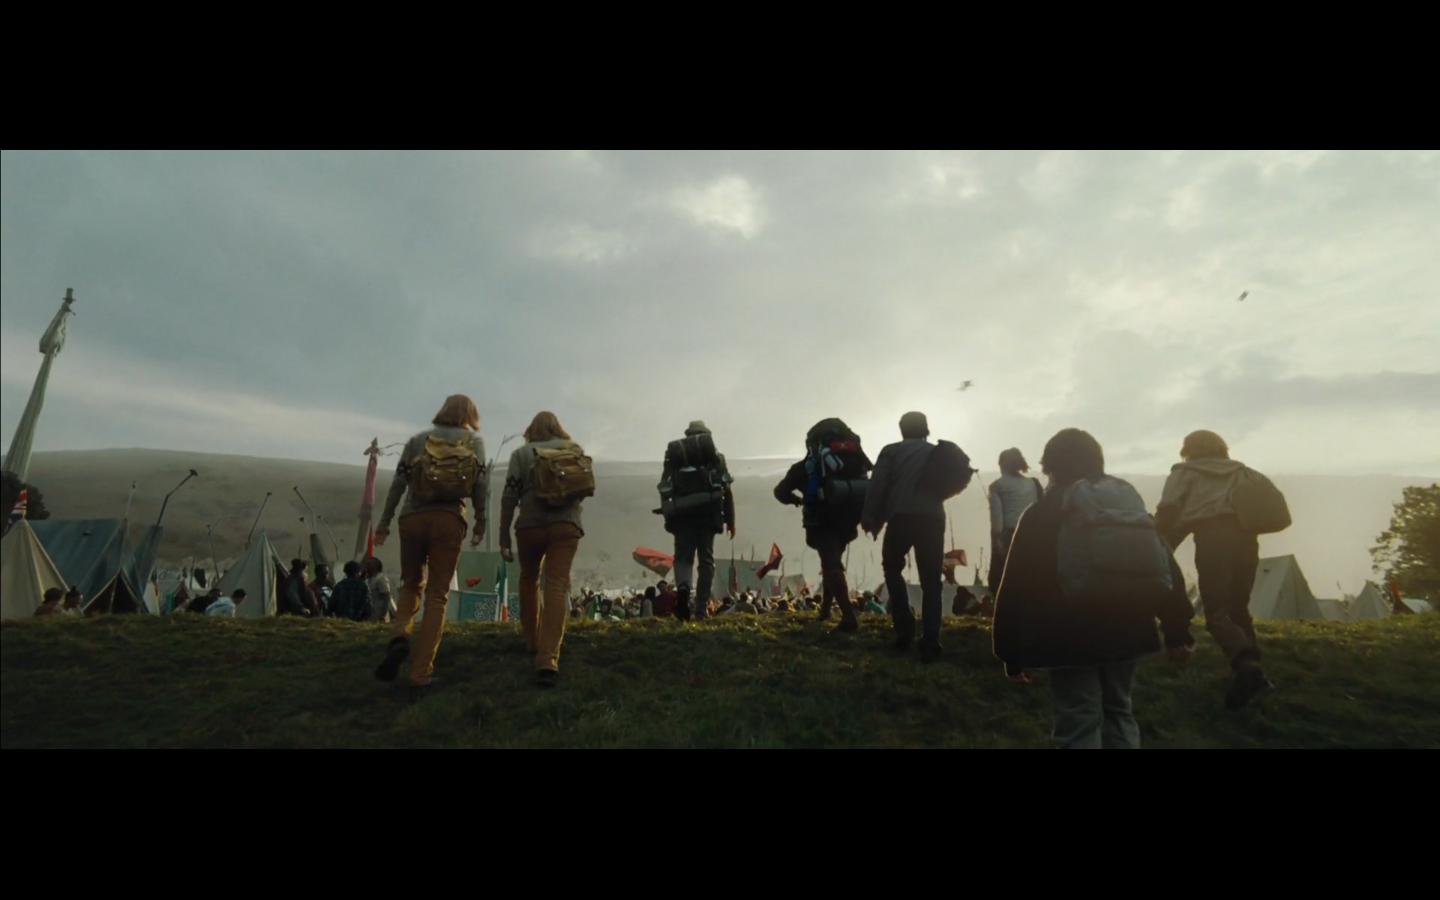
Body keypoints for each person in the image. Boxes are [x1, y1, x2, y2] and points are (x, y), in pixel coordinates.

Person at [993, 429, 1196, 750]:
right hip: (1129, 630)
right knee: (1119, 710)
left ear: (1050, 467)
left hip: (1069, 635)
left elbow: (1016, 584)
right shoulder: (1126, 506)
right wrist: (1177, 630)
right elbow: (1163, 567)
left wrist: (1011, 653)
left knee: (1078, 717)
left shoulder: (1042, 513)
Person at [373, 395, 488, 700]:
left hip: (412, 517)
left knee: (411, 583)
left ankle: (400, 636)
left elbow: (398, 483)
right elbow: (481, 484)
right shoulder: (473, 441)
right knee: (437, 594)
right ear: (471, 415)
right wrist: (481, 522)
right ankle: (420, 674)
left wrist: (383, 523)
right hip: (448, 519)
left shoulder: (418, 440)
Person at [1156, 430, 1272, 711]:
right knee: (1238, 607)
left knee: (1216, 613)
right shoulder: (1241, 471)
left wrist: (1158, 543)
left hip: (1213, 540)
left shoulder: (1185, 472)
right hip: (1247, 539)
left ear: (1187, 450)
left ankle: (1244, 664)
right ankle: (1257, 674)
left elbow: (1170, 510)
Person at [499, 411, 592, 690]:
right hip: (566, 525)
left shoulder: (521, 454)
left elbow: (509, 497)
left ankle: (532, 641)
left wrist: (503, 536)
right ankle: (548, 659)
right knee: (556, 585)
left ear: (532, 429)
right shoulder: (573, 449)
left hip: (529, 526)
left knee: (529, 579)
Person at [862, 412, 948, 662]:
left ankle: (904, 625)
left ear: (901, 429)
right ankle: (931, 641)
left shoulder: (891, 451)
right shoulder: (936, 453)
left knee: (892, 567)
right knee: (932, 582)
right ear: (926, 429)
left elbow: (877, 485)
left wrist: (871, 517)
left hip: (901, 517)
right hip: (933, 519)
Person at [774, 418, 873, 633]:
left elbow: (780, 492)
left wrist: (796, 500)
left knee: (831, 565)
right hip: (849, 520)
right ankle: (826, 610)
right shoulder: (854, 463)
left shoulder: (803, 469)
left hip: (821, 522)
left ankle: (848, 617)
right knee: (831, 562)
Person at [657, 422, 736, 623]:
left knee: (683, 558)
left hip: (682, 517)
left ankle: (684, 589)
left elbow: (665, 488)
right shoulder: (716, 457)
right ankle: (701, 609)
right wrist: (730, 520)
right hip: (708, 516)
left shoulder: (676, 457)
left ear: (687, 435)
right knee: (706, 561)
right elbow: (726, 490)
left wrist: (669, 516)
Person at [989, 449, 1044, 590]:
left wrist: (996, 542)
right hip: (1032, 536)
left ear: (1001, 465)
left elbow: (997, 520)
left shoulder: (996, 486)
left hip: (1008, 535)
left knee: (1004, 580)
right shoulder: (1033, 483)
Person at [365, 557, 395, 624]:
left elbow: (387, 597)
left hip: (380, 615)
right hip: (371, 614)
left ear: (376, 566)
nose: (366, 566)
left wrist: (383, 615)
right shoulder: (369, 579)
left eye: (369, 564)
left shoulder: (381, 579)